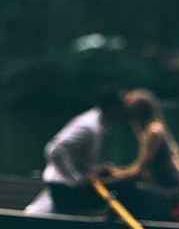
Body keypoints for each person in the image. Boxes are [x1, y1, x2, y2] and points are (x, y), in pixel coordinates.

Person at [100, 88, 179, 220]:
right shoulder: (151, 130)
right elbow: (140, 170)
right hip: (170, 190)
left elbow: (140, 173)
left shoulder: (153, 132)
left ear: (135, 113)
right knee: (126, 188)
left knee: (126, 190)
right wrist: (116, 172)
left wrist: (107, 182)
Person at [42, 86, 129, 214]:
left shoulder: (98, 124)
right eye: (122, 107)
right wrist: (77, 180)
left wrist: (95, 171)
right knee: (125, 191)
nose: (124, 112)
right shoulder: (89, 127)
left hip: (68, 186)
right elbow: (55, 150)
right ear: (112, 107)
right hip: (64, 190)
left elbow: (78, 159)